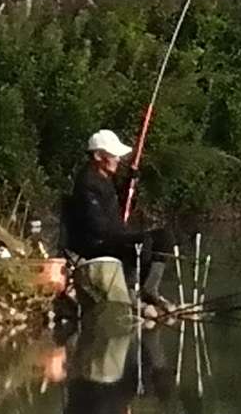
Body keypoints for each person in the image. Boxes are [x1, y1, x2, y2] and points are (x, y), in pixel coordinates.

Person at [61, 129, 174, 315]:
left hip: (113, 236)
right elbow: (97, 226)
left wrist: (130, 184)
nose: (118, 160)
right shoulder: (87, 183)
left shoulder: (105, 179)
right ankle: (130, 291)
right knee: (142, 242)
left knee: (164, 237)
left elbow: (119, 208)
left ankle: (149, 289)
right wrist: (126, 236)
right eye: (113, 155)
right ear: (98, 156)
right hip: (94, 244)